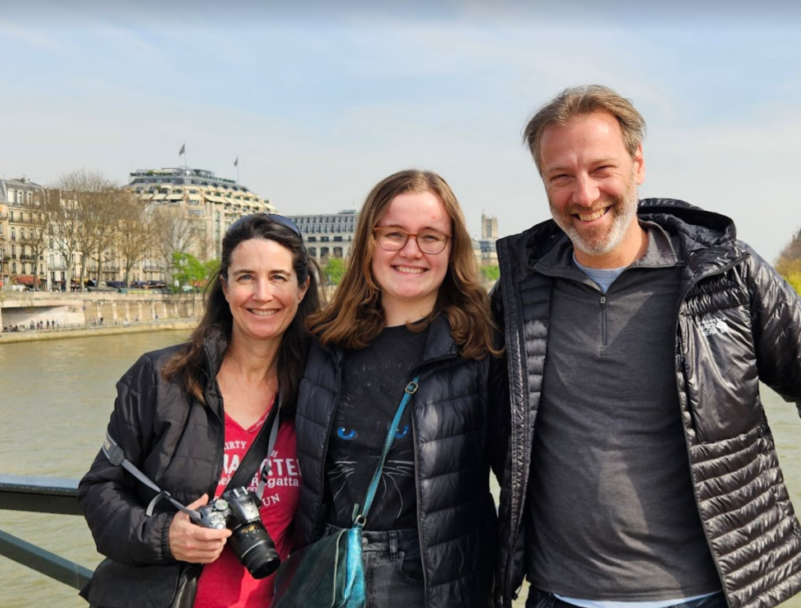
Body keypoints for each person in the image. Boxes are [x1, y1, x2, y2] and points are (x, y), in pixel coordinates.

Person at [490, 85, 801, 608]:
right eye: (561, 176)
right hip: (558, 596)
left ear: (638, 164)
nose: (585, 195)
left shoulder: (726, 275)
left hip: (709, 595)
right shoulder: (520, 292)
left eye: (601, 169)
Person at [78, 214, 321, 608]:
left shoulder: (318, 390)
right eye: (245, 277)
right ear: (224, 287)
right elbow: (98, 491)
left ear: (302, 287)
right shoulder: (161, 379)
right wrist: (164, 536)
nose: (262, 294)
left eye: (278, 277)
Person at [293, 169, 500, 607]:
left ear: (452, 247)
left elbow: (523, 478)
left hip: (435, 580)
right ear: (368, 240)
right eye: (394, 234)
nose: (411, 251)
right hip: (327, 569)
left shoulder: (482, 349)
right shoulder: (321, 342)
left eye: (431, 237)